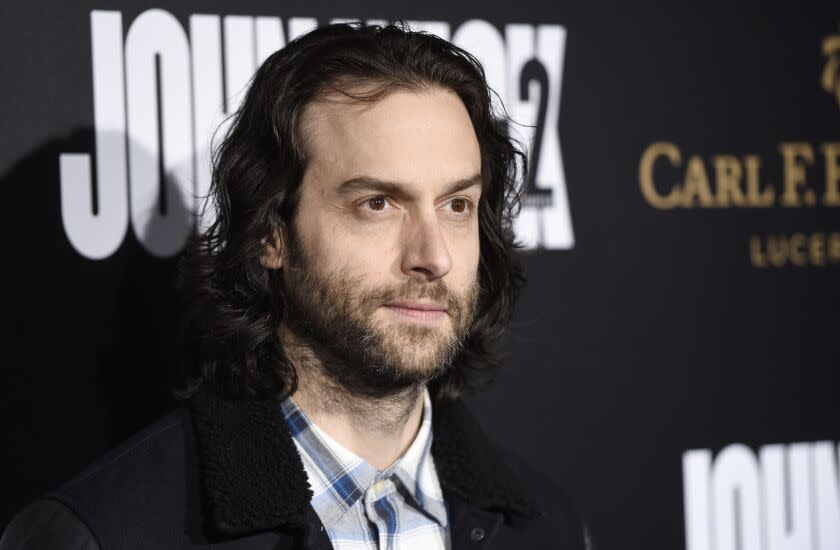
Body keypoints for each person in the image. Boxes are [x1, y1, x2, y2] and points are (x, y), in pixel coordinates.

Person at [1, 22, 591, 550]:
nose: (433, 256)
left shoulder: (547, 527)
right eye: (378, 203)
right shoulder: (100, 534)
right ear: (271, 233)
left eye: (458, 204)